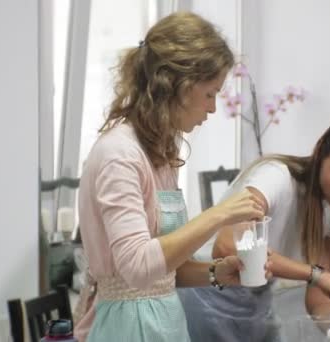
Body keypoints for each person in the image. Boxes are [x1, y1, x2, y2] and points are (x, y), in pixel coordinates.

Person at [72, 12, 266, 342]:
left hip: (165, 322)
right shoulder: (118, 155)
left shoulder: (160, 156)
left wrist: (218, 273)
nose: (213, 108)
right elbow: (137, 266)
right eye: (210, 94)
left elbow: (164, 271)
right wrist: (220, 215)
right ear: (180, 86)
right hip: (127, 328)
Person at [179, 111, 330, 341]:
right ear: (320, 150)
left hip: (257, 303)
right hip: (207, 293)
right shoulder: (275, 177)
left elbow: (319, 299)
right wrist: (315, 275)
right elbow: (228, 247)